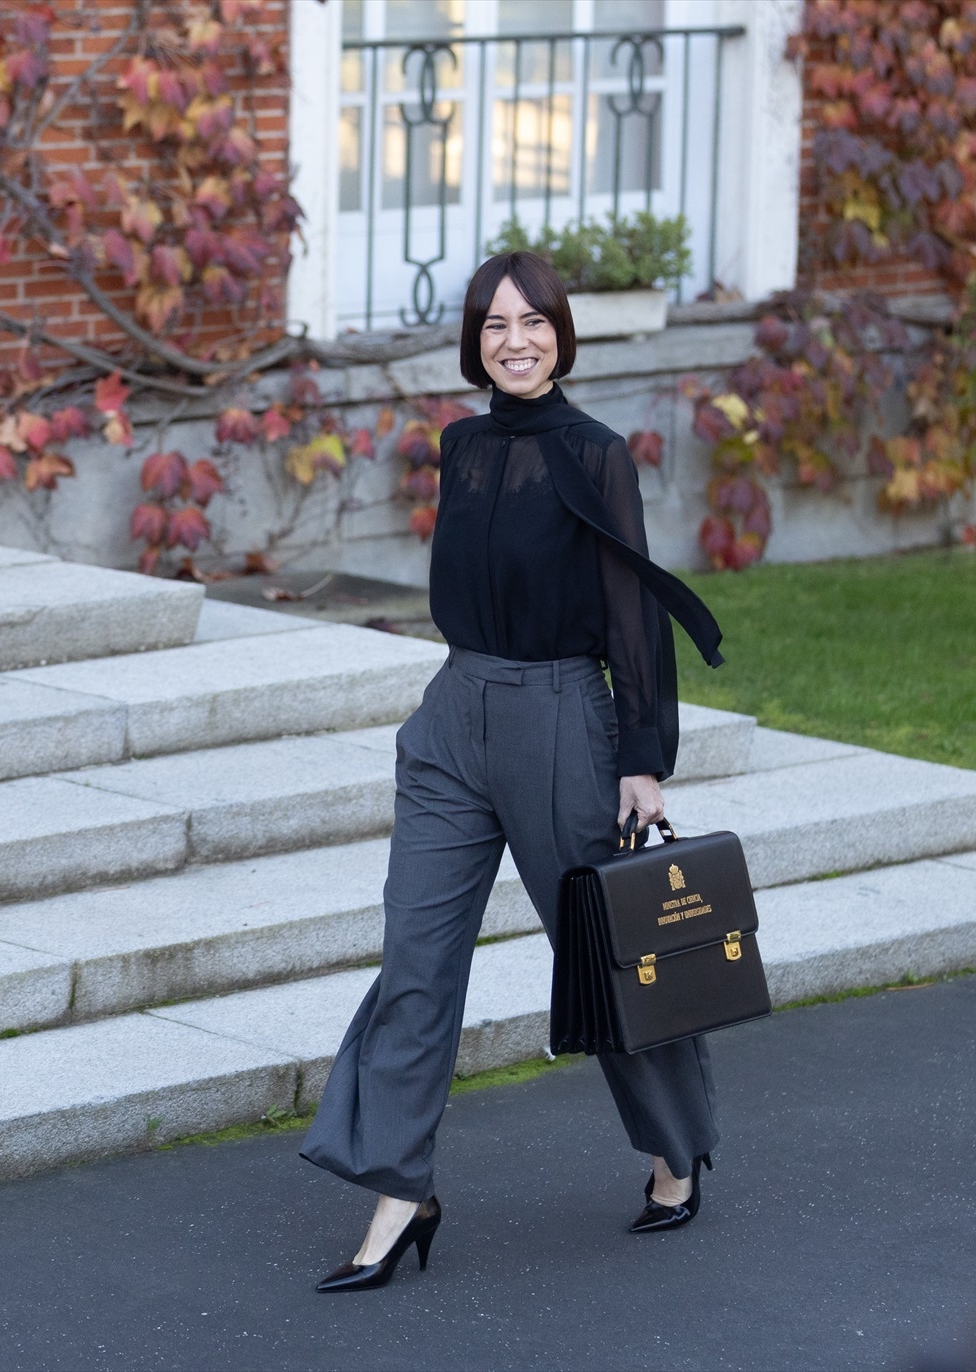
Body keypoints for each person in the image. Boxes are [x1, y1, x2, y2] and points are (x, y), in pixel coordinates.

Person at [300, 251, 729, 1293]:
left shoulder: (595, 455)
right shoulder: (462, 445)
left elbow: (630, 610)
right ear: (473, 341)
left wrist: (641, 758)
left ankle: (678, 1149)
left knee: (606, 952)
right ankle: (400, 1189)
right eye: (494, 325)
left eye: (532, 322)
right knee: (414, 955)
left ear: (561, 335)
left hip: (558, 718)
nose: (514, 340)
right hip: (455, 716)